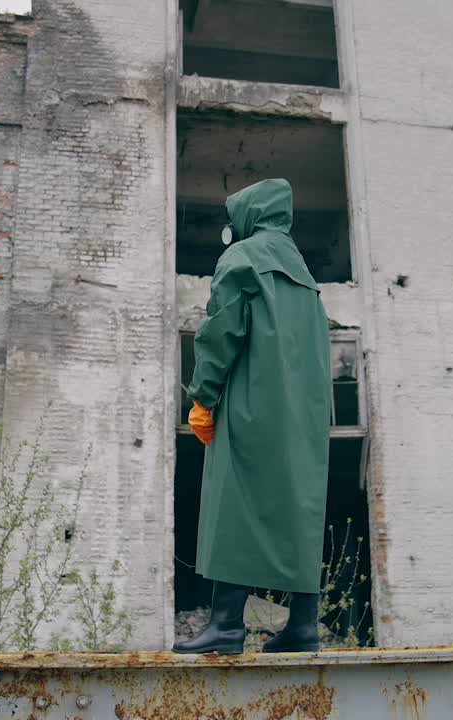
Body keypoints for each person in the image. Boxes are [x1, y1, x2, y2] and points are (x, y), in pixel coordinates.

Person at [173, 178, 331, 655]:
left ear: (249, 214)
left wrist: (203, 396)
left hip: (250, 401)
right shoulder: (304, 274)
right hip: (303, 413)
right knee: (299, 508)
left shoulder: (241, 257)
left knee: (233, 503)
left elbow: (221, 332)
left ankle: (225, 625)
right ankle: (303, 625)